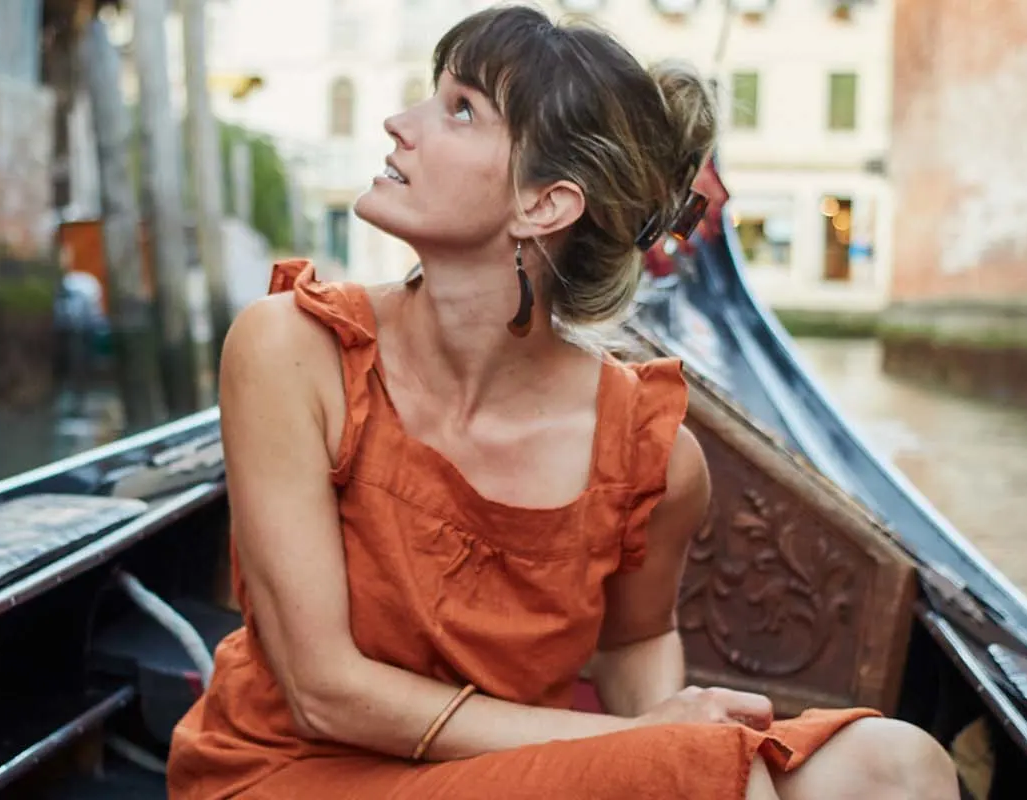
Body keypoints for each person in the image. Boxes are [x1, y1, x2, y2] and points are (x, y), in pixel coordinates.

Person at [166, 5, 959, 798]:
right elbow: (322, 691)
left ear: (543, 206)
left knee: (898, 764)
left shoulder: (652, 456)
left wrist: (667, 744)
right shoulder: (290, 350)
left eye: (462, 109)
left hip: (516, 774)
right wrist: (647, 747)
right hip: (292, 774)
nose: (399, 124)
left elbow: (635, 643)